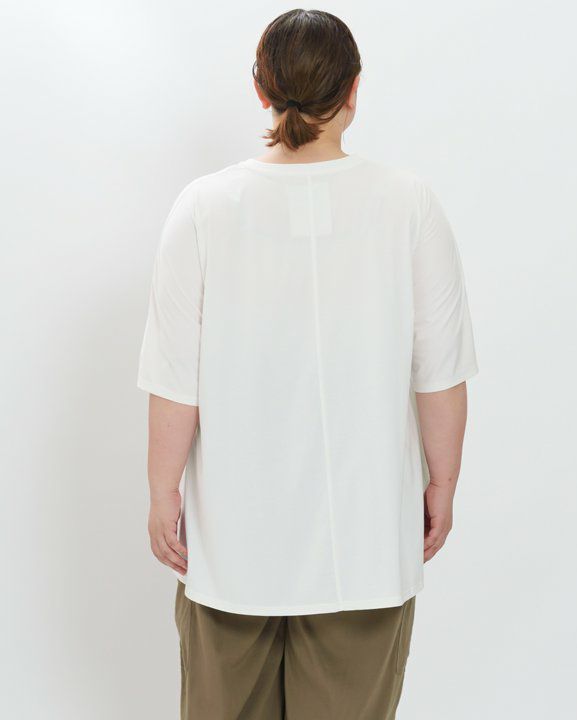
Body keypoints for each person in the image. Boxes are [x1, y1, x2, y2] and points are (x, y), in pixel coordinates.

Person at [136, 8, 478, 720]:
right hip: (366, 537)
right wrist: (442, 483)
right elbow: (439, 372)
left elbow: (175, 378)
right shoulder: (409, 204)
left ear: (260, 89)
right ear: (354, 89)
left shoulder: (203, 208)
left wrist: (163, 490)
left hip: (233, 539)